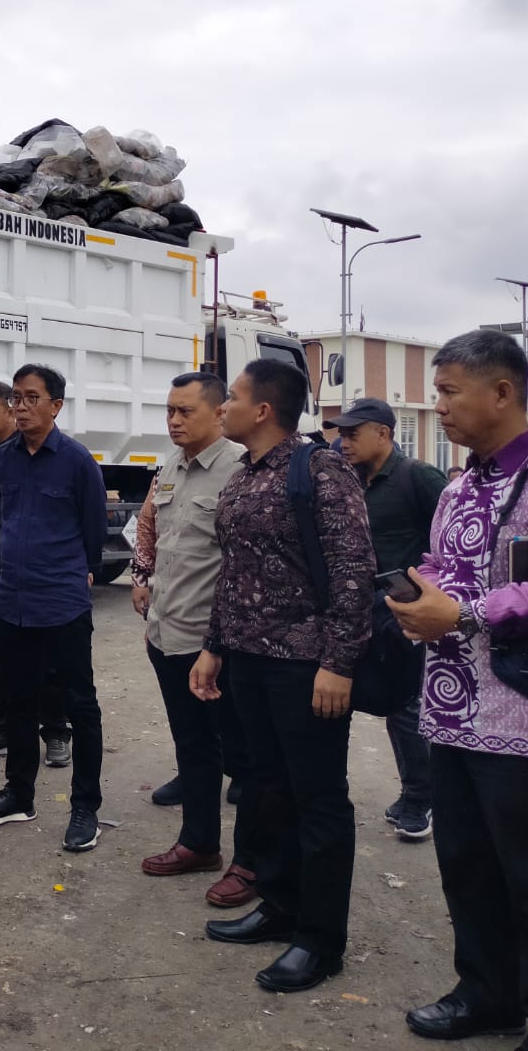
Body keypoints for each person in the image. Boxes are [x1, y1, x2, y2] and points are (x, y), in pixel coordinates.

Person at [390, 330, 528, 1049]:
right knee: (468, 864)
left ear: (501, 392)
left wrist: (461, 614)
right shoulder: (459, 484)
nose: (438, 406)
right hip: (453, 709)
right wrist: (418, 596)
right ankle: (487, 994)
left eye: (449, 392)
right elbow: (442, 564)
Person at [194, 359, 374, 993]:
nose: (223, 407)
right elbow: (233, 571)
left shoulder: (320, 469)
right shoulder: (243, 475)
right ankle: (279, 906)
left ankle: (320, 941)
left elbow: (353, 572)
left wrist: (338, 664)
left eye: (233, 397)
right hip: (247, 660)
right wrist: (214, 647)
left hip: (305, 666)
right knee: (267, 788)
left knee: (317, 799)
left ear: (263, 409)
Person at [0, 364, 108, 853]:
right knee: (19, 702)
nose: (21, 407)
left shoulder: (77, 461)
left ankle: (85, 807)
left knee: (80, 706)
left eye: (32, 398)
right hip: (12, 601)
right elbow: (1, 521)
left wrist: (72, 573)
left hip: (62, 603)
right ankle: (18, 795)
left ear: (56, 406)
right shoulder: (2, 461)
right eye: (16, 398)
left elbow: (93, 532)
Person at [130, 371, 256, 907]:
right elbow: (153, 531)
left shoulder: (241, 469)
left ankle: (252, 863)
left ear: (219, 413)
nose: (174, 420)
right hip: (168, 633)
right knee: (193, 746)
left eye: (186, 411)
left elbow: (245, 567)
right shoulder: (171, 467)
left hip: (215, 644)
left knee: (246, 757)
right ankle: (200, 843)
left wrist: (219, 643)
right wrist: (142, 581)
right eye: (169, 411)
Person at [325, 398, 448, 843]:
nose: (344, 442)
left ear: (383, 433)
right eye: (341, 434)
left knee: (406, 706)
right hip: (358, 614)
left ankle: (420, 800)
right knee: (363, 698)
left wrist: (429, 597)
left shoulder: (418, 477)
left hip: (405, 614)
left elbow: (449, 546)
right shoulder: (348, 481)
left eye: (352, 434)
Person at [0, 381, 71, 767]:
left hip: (38, 571)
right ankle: (5, 729)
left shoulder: (35, 453)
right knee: (1, 652)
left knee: (48, 654)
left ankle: (56, 730)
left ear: (11, 412)